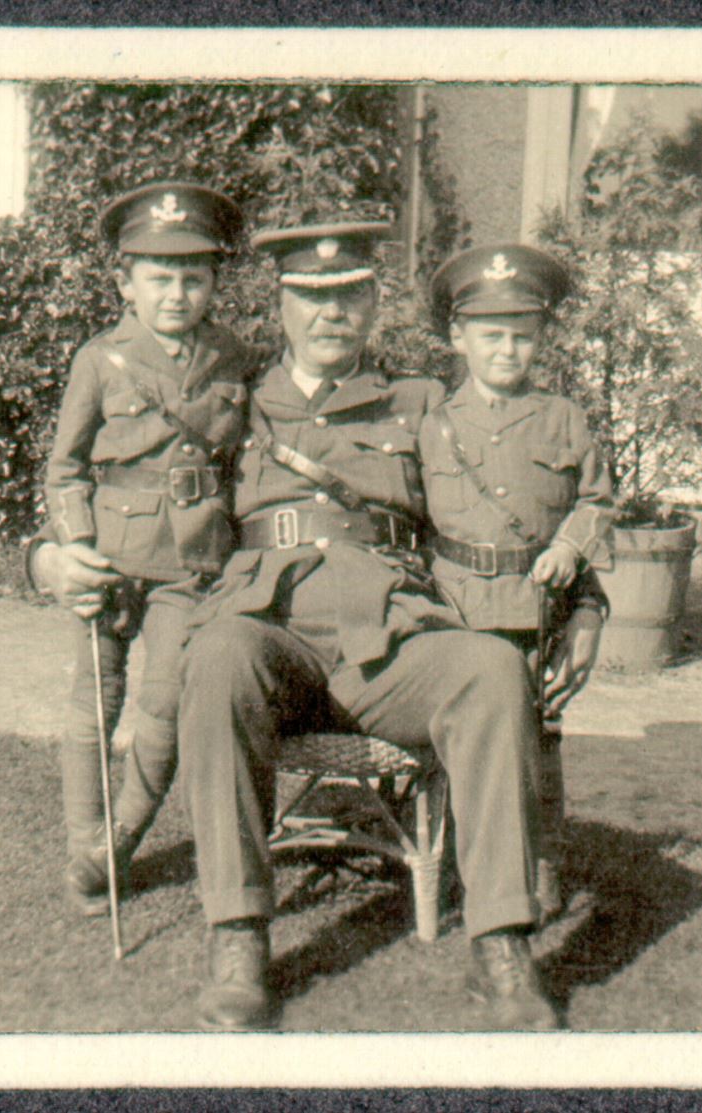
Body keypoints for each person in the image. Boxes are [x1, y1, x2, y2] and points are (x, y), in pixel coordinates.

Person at [174, 220, 566, 1032]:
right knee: (216, 654)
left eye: (350, 295)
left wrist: (586, 603)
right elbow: (129, 471)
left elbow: (522, 505)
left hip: (389, 646)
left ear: (376, 303)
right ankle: (239, 938)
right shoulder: (231, 398)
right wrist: (54, 555)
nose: (331, 314)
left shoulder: (422, 403)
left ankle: (501, 945)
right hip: (272, 638)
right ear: (278, 304)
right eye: (311, 297)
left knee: (491, 668)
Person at [40, 181, 252, 917]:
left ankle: (116, 845)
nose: (177, 295)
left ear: (215, 282)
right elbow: (64, 468)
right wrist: (75, 545)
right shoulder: (101, 360)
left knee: (164, 706)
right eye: (160, 279)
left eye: (194, 278)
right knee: (94, 705)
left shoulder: (234, 358)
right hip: (111, 556)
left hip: (190, 564)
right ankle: (81, 839)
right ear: (125, 282)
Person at [420, 242, 615, 915]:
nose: (508, 351)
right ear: (458, 337)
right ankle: (454, 863)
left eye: (524, 337)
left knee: (536, 740)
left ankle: (539, 862)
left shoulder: (564, 419)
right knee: (458, 745)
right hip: (454, 609)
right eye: (492, 336)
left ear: (542, 341)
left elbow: (597, 501)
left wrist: (569, 545)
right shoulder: (432, 425)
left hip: (534, 609)